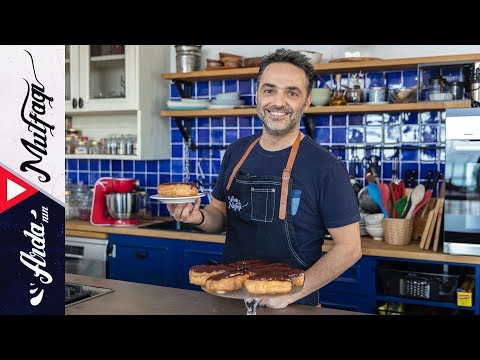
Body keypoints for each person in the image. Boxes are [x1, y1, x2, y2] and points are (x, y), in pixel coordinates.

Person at [167, 48, 362, 308]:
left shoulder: (326, 167)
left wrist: (292, 293)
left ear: (306, 102)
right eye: (269, 90)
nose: (279, 102)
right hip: (230, 299)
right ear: (258, 95)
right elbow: (218, 214)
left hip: (293, 305)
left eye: (292, 93)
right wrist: (198, 217)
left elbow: (350, 248)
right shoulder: (236, 152)